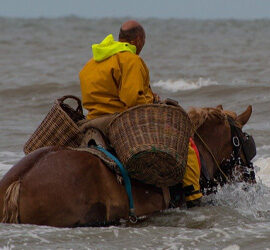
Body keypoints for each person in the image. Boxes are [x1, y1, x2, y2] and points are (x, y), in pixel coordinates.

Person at [79, 20, 201, 207]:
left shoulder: (93, 61)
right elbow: (133, 100)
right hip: (117, 120)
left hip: (92, 120)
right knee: (186, 145)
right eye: (143, 41)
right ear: (138, 40)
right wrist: (153, 101)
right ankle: (194, 197)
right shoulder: (131, 60)